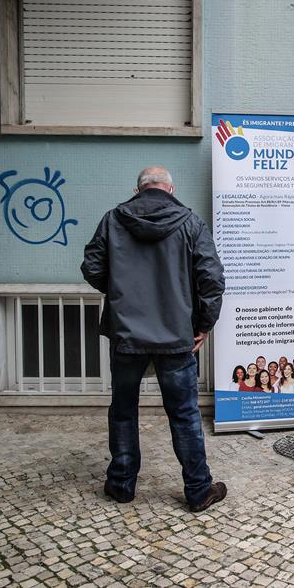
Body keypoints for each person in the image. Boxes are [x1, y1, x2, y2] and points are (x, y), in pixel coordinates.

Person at [81, 166, 227, 512]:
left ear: (138, 190)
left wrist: (120, 294)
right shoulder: (190, 223)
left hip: (126, 335)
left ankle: (121, 485)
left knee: (123, 410)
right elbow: (212, 279)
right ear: (170, 190)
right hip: (176, 336)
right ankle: (198, 490)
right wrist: (204, 324)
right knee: (185, 414)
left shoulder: (114, 219)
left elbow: (92, 266)